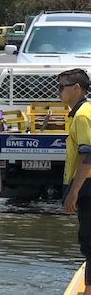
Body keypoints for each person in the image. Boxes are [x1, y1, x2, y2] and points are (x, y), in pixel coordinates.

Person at [59, 68, 91, 267]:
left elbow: (88, 156)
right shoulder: (79, 113)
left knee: (88, 243)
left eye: (62, 87)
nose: (59, 92)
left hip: (88, 187)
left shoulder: (82, 116)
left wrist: (73, 192)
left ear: (76, 88)